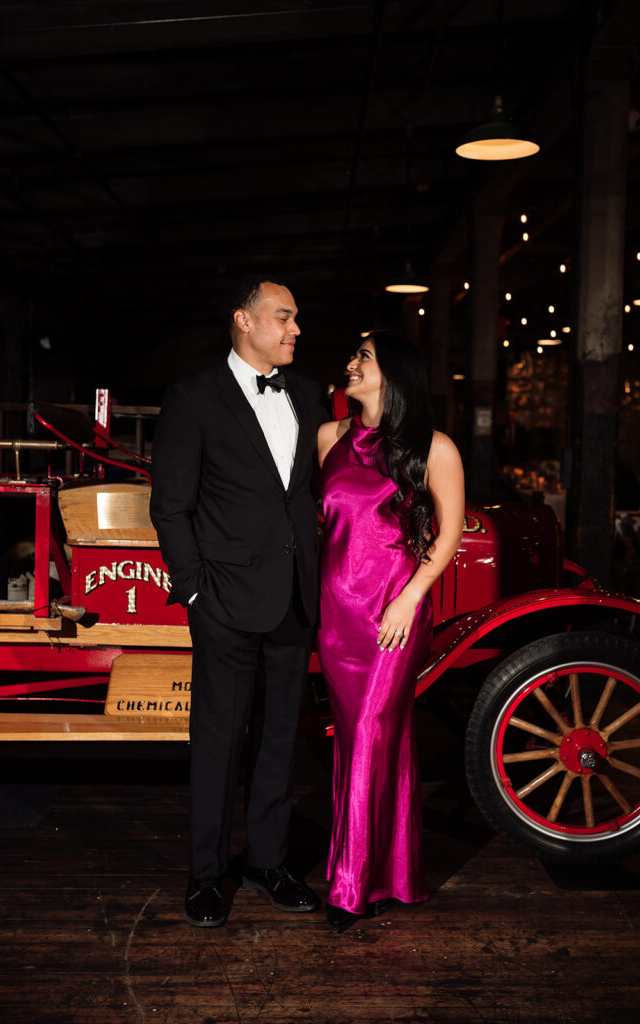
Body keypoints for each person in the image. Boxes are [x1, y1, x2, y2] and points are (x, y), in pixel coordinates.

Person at [150, 277, 326, 927]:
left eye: (297, 318)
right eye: (284, 317)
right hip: (222, 598)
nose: (295, 329)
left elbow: (304, 496)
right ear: (243, 321)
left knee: (279, 742)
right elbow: (170, 506)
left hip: (292, 597)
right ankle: (204, 875)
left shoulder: (306, 394)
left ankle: (268, 863)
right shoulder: (192, 399)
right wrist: (195, 589)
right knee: (218, 742)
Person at [316, 331, 465, 934]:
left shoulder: (435, 448)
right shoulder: (329, 438)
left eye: (364, 357)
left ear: (394, 374)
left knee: (374, 730)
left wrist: (408, 600)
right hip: (336, 613)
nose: (350, 363)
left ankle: (350, 885)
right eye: (352, 354)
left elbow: (449, 535)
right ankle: (394, 875)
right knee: (368, 738)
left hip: (392, 612)